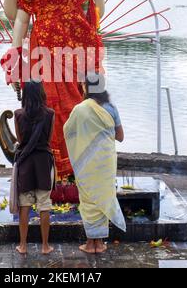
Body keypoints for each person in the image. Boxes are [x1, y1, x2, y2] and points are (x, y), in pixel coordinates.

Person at [0, 0, 109, 179]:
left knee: (77, 106)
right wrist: (15, 59)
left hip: (74, 49)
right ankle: (46, 172)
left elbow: (93, 17)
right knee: (42, 107)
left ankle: (75, 171)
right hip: (42, 50)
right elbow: (21, 20)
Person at [64, 73, 126, 254]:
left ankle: (90, 244)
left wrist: (89, 136)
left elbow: (68, 131)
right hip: (106, 161)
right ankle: (99, 243)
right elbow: (120, 137)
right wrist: (102, 136)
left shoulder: (80, 109)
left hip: (86, 162)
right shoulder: (111, 107)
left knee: (89, 198)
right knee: (103, 197)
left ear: (86, 87)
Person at [14, 80, 55, 255]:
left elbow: (20, 140)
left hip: (26, 163)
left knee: (25, 205)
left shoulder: (18, 114)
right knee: (44, 204)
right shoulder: (50, 114)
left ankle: (23, 246)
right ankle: (45, 246)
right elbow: (49, 140)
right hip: (43, 162)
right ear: (41, 93)